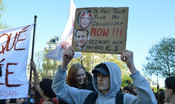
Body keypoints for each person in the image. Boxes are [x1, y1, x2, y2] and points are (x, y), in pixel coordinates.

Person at [52, 46, 157, 104]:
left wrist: (132, 67)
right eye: (98, 75)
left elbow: (149, 102)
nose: (100, 79)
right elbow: (59, 89)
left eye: (105, 75)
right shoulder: (88, 96)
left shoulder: (125, 100)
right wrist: (64, 64)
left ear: (114, 78)